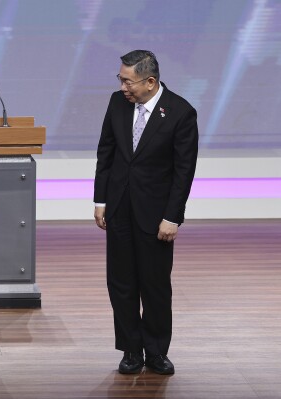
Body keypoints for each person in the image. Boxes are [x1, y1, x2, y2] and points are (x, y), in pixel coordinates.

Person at [93, 50, 198, 375]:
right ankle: (130, 350)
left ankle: (155, 351)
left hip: (156, 216)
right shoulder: (117, 102)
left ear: (150, 81)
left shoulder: (180, 112)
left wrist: (172, 217)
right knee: (121, 283)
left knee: (154, 286)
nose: (123, 86)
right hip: (120, 209)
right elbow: (106, 152)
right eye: (120, 79)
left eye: (129, 81)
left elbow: (184, 171)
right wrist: (100, 200)